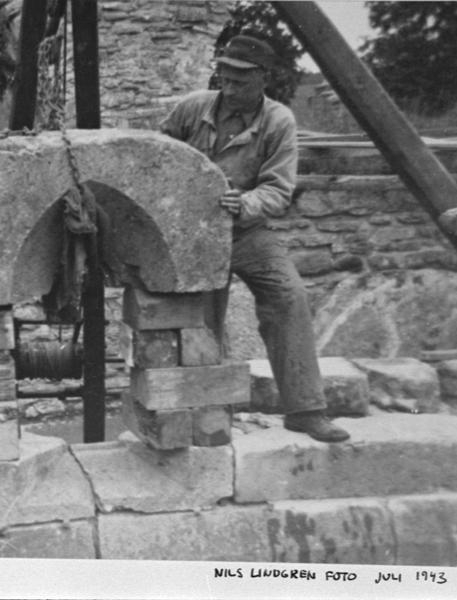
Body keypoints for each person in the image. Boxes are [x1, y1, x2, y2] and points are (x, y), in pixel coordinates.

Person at [159, 34, 350, 443]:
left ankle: (305, 410)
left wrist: (243, 203)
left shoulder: (279, 121)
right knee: (202, 320)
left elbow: (278, 190)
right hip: (194, 236)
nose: (229, 89)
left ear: (263, 77)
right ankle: (204, 416)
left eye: (240, 82)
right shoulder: (192, 108)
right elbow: (157, 157)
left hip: (247, 231)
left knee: (289, 297)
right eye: (225, 79)